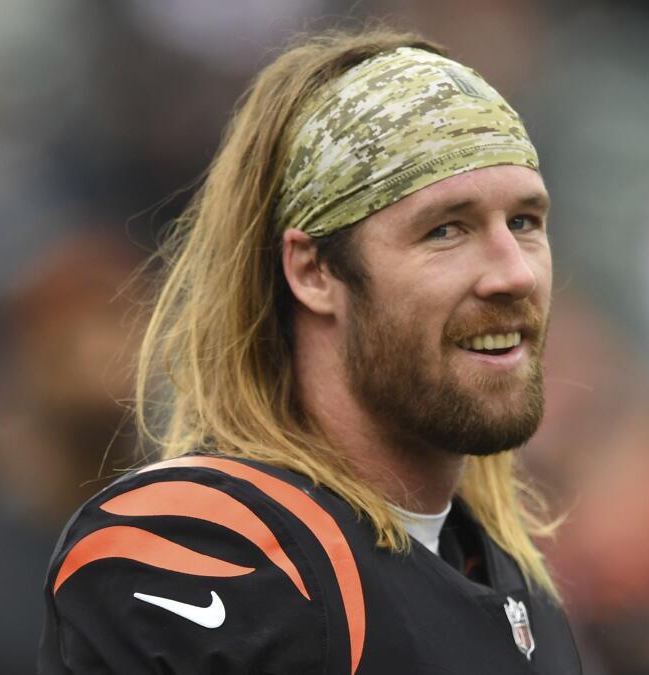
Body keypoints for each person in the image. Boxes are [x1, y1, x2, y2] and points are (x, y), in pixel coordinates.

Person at [39, 28, 582, 674]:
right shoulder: (214, 549)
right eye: (446, 229)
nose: (514, 273)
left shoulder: (522, 595)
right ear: (314, 270)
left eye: (524, 222)